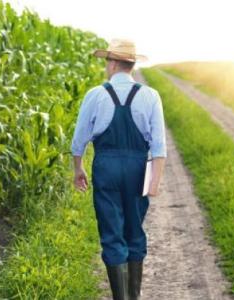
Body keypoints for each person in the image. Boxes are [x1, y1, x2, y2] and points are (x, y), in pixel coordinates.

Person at [71, 38, 167, 300]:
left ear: (112, 63)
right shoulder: (150, 96)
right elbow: (159, 144)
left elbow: (79, 139)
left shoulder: (96, 94)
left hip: (106, 168)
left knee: (112, 233)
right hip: (138, 169)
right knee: (135, 231)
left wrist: (78, 169)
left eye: (107, 62)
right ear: (132, 65)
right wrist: (154, 182)